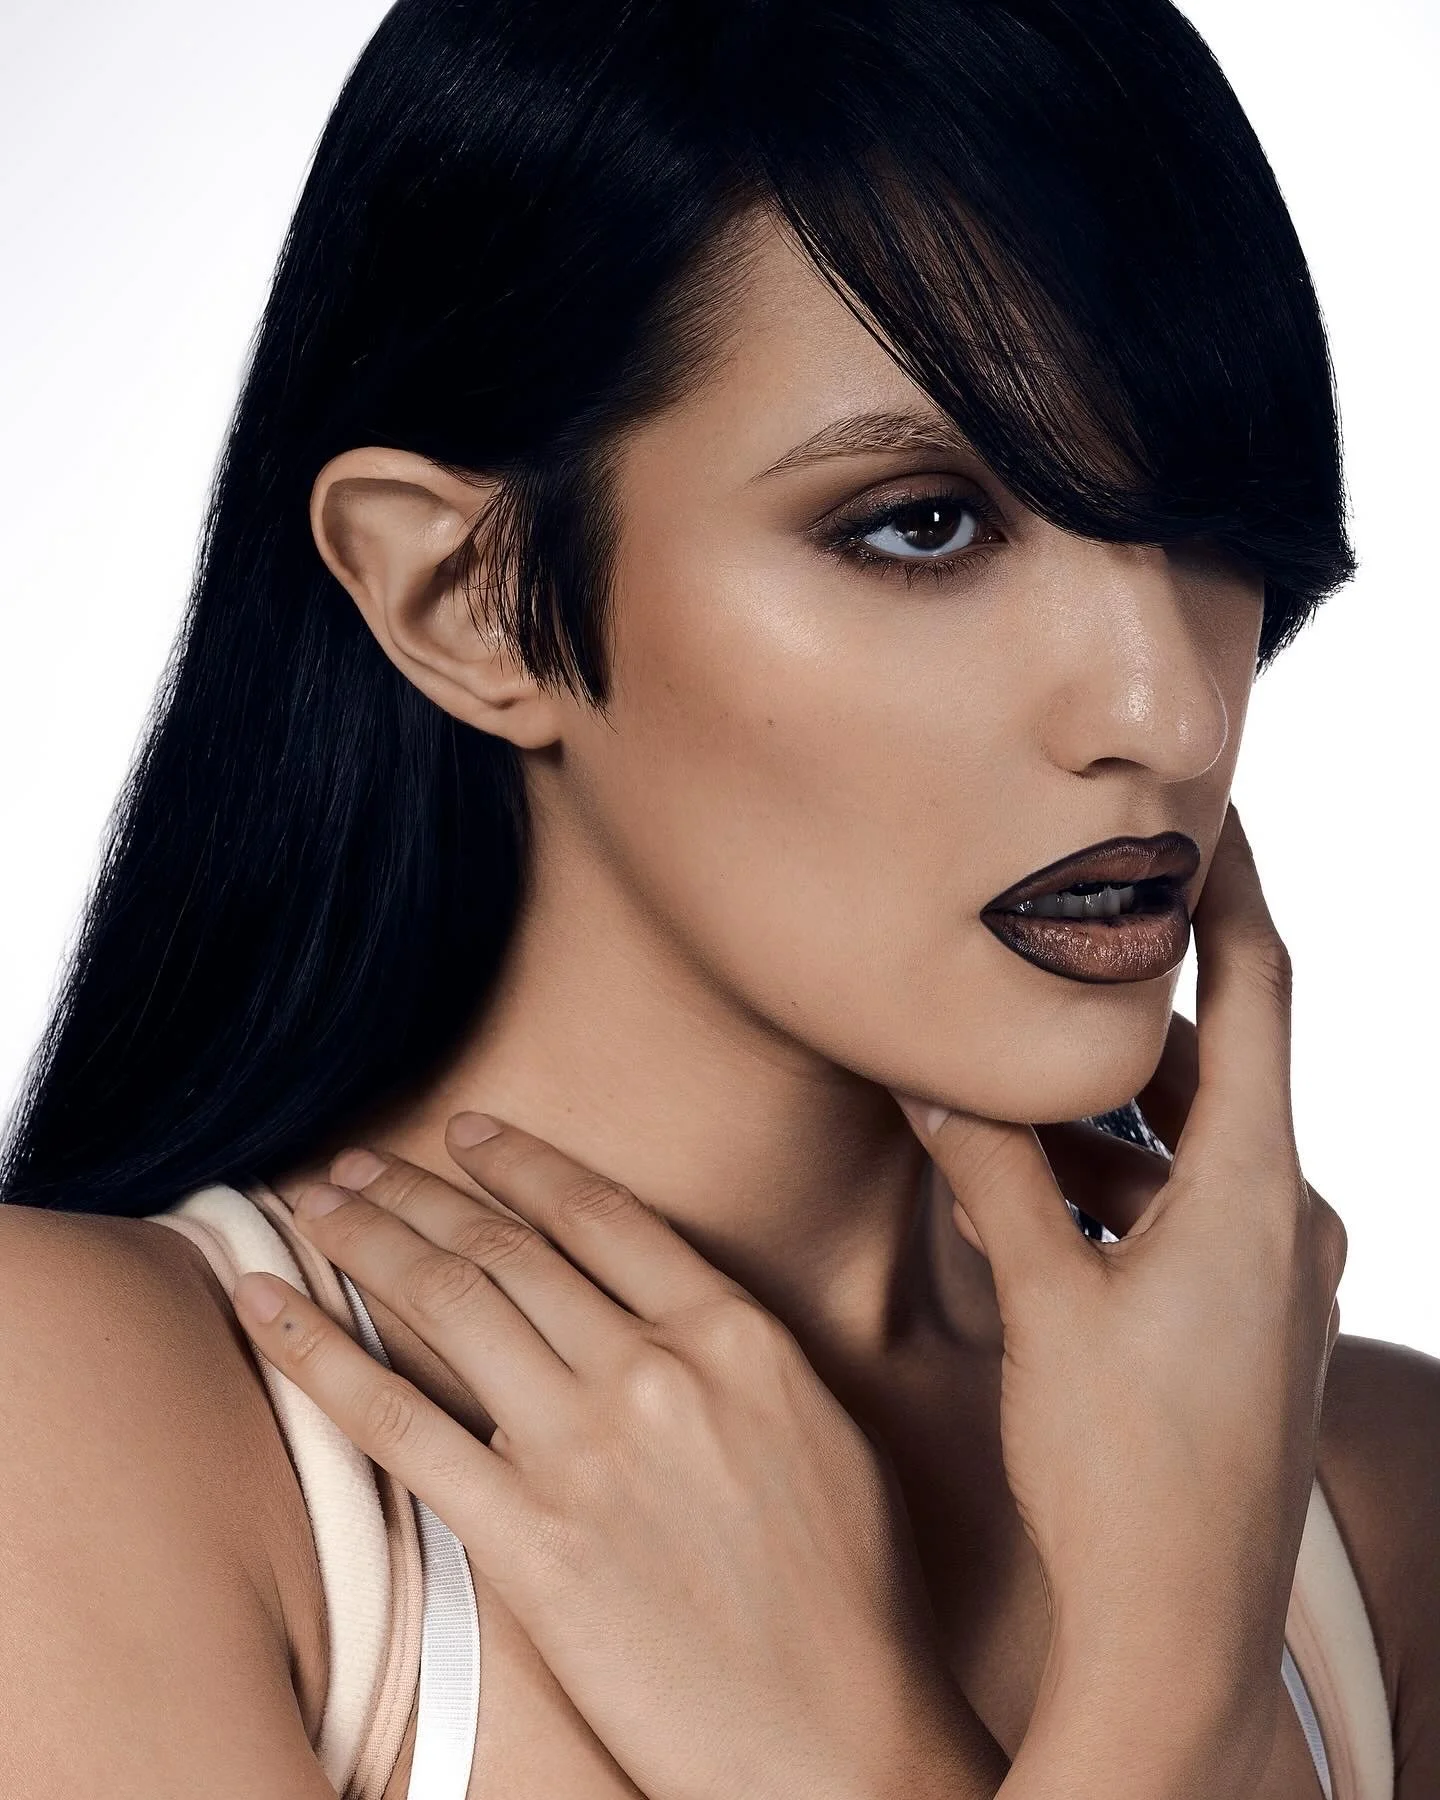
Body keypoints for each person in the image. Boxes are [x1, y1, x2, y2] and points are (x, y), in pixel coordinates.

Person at [0, 1, 1434, 1795]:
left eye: (1214, 516)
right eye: (922, 523)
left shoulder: (1379, 1500)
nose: (1170, 711)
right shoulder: (80, 1418)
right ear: (466, 599)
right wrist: (1167, 1689)